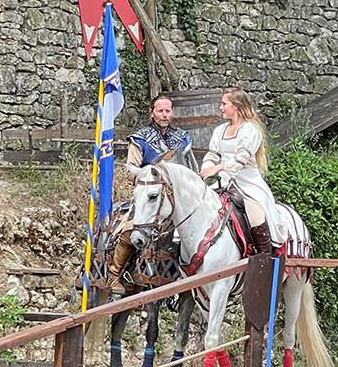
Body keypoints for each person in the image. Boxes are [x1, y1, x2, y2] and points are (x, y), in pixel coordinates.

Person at [104, 95, 197, 295]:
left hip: (178, 197)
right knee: (131, 228)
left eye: (168, 111)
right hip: (149, 193)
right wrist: (150, 177)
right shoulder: (140, 138)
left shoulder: (182, 138)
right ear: (152, 112)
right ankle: (115, 274)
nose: (164, 115)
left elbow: (191, 168)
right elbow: (131, 169)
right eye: (160, 111)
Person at [199, 88, 275, 257]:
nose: (221, 107)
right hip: (223, 183)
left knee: (255, 217)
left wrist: (217, 168)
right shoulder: (220, 130)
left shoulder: (251, 130)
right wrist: (206, 168)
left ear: (237, 106)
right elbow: (213, 154)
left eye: (224, 104)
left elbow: (240, 160)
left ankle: (266, 259)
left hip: (248, 185)